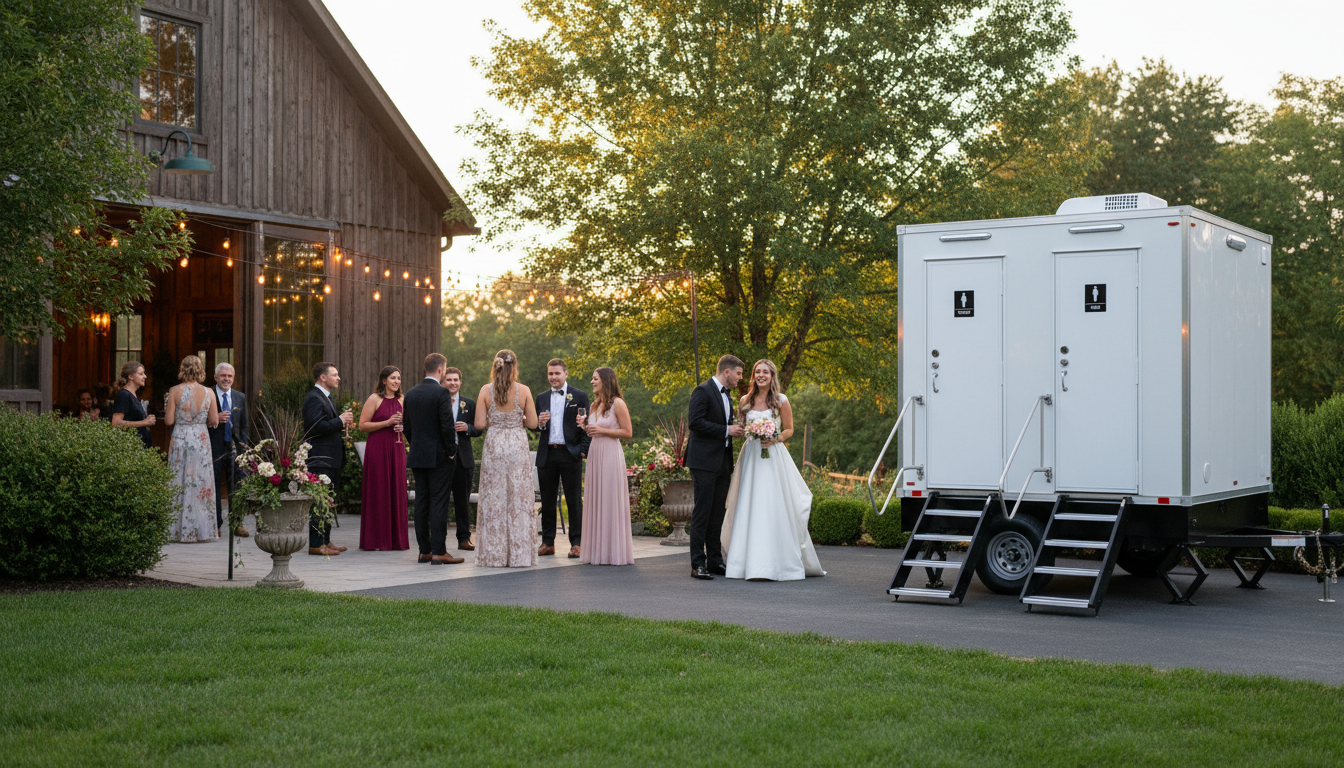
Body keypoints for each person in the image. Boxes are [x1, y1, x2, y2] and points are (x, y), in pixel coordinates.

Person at [721, 359, 824, 581]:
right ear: (753, 376)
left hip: (773, 455)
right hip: (751, 457)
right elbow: (743, 427)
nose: (761, 375)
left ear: (772, 376)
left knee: (772, 502)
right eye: (757, 371)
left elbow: (789, 429)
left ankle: (780, 562)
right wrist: (748, 432)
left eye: (765, 372)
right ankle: (743, 564)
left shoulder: (781, 400)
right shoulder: (744, 401)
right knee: (749, 503)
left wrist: (774, 437)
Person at [474, 349, 540, 568]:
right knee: (518, 498)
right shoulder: (524, 391)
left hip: (494, 446)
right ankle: (519, 556)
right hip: (516, 445)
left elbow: (479, 425)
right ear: (515, 366)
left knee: (494, 498)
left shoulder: (485, 390)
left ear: (496, 365)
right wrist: (518, 417)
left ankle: (493, 556)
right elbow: (533, 423)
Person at [686, 354, 747, 580]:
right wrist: (727, 430)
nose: (741, 378)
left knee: (716, 514)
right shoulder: (702, 391)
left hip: (722, 462)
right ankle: (697, 564)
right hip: (703, 462)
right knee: (702, 513)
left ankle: (714, 561)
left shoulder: (727, 395)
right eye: (739, 373)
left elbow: (719, 422)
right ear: (727, 371)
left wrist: (734, 429)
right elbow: (695, 422)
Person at [403, 354, 463, 564]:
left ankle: (425, 551)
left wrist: (416, 445)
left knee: (421, 502)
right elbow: (447, 425)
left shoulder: (410, 394)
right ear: (441, 370)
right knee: (439, 502)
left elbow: (407, 427)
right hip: (439, 456)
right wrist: (451, 450)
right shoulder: (441, 393)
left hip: (418, 455)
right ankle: (439, 551)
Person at [533, 358, 591, 558]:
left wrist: (583, 450)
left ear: (566, 374)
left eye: (557, 373)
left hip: (570, 453)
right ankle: (547, 543)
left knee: (574, 500)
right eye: (550, 373)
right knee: (547, 501)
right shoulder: (540, 397)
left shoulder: (579, 396)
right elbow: (534, 425)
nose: (553, 377)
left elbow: (587, 426)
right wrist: (539, 424)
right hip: (547, 453)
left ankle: (577, 544)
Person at [580, 367, 634, 565]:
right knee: (596, 498)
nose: (592, 382)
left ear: (605, 380)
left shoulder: (618, 404)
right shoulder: (595, 404)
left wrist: (600, 429)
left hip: (611, 454)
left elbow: (627, 432)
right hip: (595, 453)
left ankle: (613, 552)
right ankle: (598, 552)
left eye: (595, 379)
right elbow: (594, 431)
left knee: (610, 498)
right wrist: (585, 426)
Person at [165, 355, 220, 542]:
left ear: (182, 369)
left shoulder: (174, 391)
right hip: (201, 439)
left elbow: (169, 420)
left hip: (180, 436)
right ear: (200, 370)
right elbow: (214, 420)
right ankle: (201, 531)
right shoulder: (209, 392)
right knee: (201, 482)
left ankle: (177, 530)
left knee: (179, 481)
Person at [303, 362, 354, 556]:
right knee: (320, 501)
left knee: (329, 500)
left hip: (331, 459)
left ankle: (325, 540)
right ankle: (316, 544)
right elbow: (314, 427)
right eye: (335, 374)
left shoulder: (326, 397)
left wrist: (340, 422)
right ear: (322, 377)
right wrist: (340, 420)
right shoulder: (313, 398)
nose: (338, 378)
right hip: (320, 458)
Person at [358, 366, 410, 551]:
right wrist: (387, 423)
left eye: (399, 378)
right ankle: (376, 540)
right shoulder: (374, 399)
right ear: (384, 381)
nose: (396, 381)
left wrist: (402, 427)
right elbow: (362, 425)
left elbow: (408, 424)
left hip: (396, 447)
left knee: (396, 488)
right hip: (378, 448)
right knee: (379, 489)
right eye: (393, 378)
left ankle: (397, 540)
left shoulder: (403, 400)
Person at [441, 367, 482, 550]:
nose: (452, 383)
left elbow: (479, 429)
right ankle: (438, 540)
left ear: (460, 382)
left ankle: (464, 539)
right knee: (440, 501)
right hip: (441, 458)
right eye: (449, 380)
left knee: (462, 502)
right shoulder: (438, 401)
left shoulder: (470, 404)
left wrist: (468, 428)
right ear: (443, 382)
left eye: (456, 380)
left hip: (463, 459)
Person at [208, 363, 250, 538]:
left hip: (235, 449)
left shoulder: (240, 397)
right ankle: (216, 524)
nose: (226, 379)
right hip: (214, 447)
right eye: (223, 375)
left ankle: (237, 523)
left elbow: (245, 425)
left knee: (237, 486)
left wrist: (245, 449)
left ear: (233, 378)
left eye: (229, 376)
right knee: (215, 486)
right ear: (216, 377)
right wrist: (214, 418)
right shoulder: (207, 394)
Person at [111, 360, 155, 449]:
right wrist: (144, 422)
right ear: (131, 376)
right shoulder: (124, 395)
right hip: (132, 446)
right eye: (141, 374)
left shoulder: (133, 394)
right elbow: (116, 423)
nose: (145, 376)